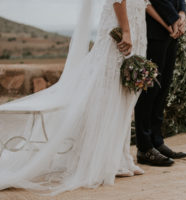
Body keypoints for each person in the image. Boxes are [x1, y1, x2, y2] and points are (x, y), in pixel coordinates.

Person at [0, 0, 172, 195]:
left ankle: (120, 159)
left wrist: (165, 24)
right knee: (109, 94)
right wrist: (125, 30)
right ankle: (101, 160)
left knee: (125, 96)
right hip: (121, 27)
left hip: (137, 25)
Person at [135, 0, 186, 167]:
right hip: (153, 30)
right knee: (149, 89)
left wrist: (182, 13)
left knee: (163, 87)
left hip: (172, 32)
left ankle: (157, 141)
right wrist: (173, 18)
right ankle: (144, 147)